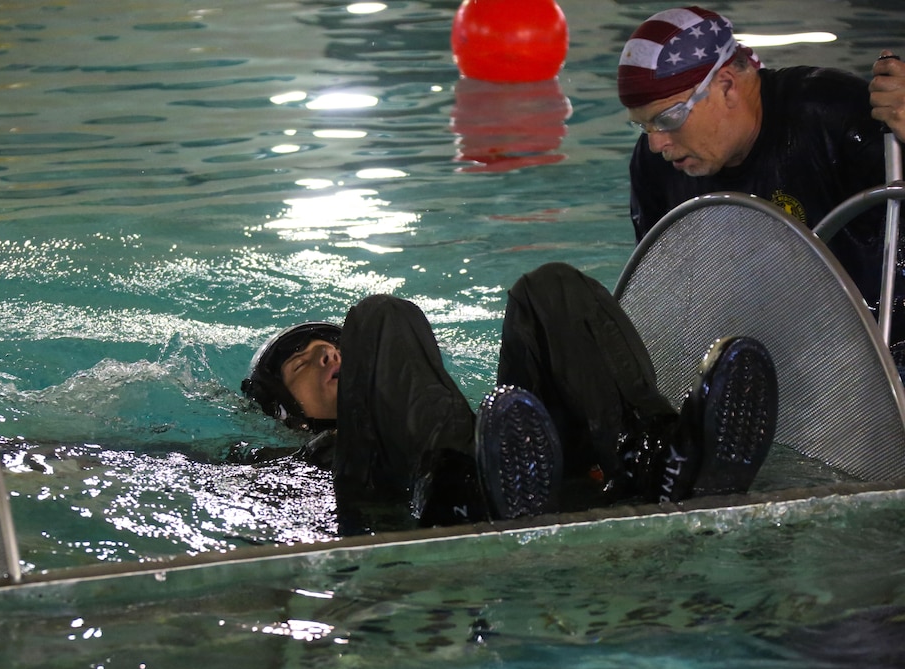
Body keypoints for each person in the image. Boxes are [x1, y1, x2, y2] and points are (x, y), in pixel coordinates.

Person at [242, 262, 779, 536]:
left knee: (549, 289)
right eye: (302, 364)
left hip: (516, 485)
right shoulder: (290, 463)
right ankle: (459, 491)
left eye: (332, 348)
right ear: (282, 411)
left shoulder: (488, 426)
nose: (329, 357)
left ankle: (653, 455)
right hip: (416, 510)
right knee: (379, 316)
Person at [618, 6, 905, 341]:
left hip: (885, 348)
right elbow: (662, 300)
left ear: (726, 86)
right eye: (643, 125)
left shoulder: (832, 115)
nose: (656, 143)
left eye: (668, 118)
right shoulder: (656, 166)